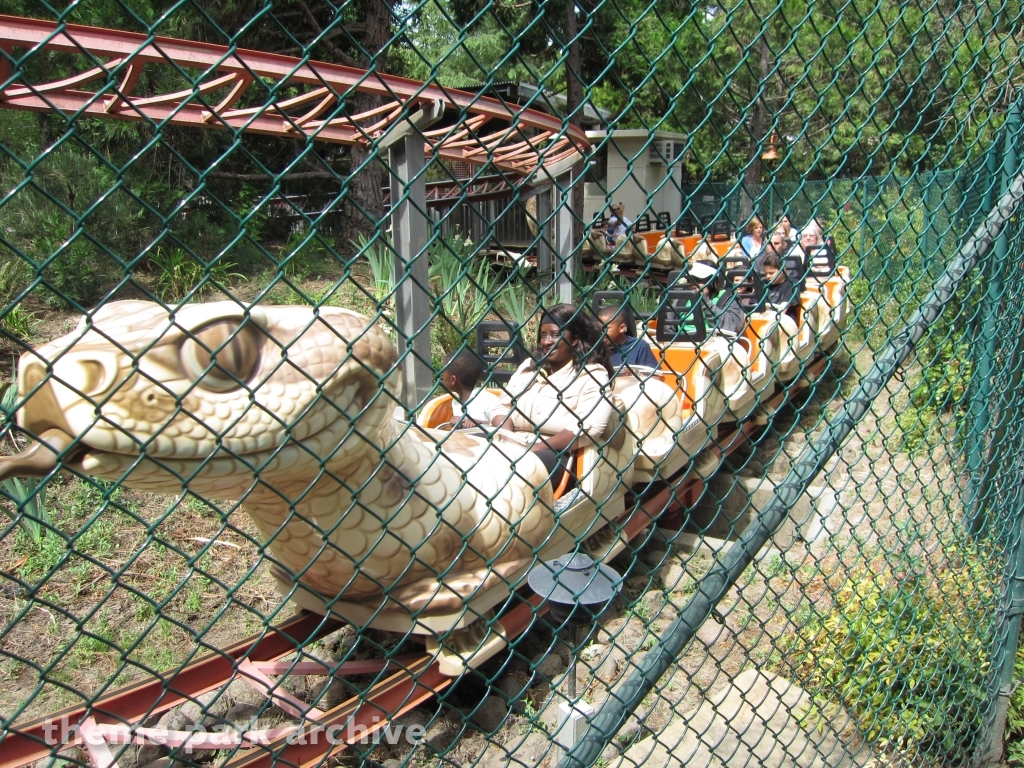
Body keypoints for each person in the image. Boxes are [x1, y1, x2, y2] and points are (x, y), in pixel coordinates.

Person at [491, 305, 615, 487]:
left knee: (518, 468)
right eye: (543, 335)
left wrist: (535, 448)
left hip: (558, 453)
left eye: (555, 335)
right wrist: (507, 438)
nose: (547, 342)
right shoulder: (530, 366)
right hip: (510, 441)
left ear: (575, 339)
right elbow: (502, 405)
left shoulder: (592, 375)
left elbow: (588, 427)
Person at [440, 348, 502, 428]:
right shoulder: (456, 401)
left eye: (443, 372)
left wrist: (480, 423)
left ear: (453, 380)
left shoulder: (487, 400)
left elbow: (503, 425)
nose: (441, 375)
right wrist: (455, 421)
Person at [596, 305, 659, 371]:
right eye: (599, 328)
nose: (601, 332)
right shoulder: (595, 347)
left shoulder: (639, 346)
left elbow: (655, 374)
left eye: (605, 328)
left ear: (622, 328)